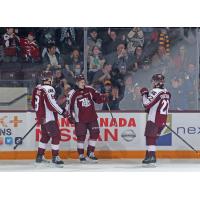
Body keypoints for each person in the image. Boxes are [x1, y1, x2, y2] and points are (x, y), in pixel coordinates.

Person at [66, 74, 108, 163]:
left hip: (92, 117)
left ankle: (90, 152)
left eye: (83, 81)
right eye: (81, 82)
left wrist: (103, 98)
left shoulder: (89, 89)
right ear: (76, 82)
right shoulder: (72, 93)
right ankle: (81, 154)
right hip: (80, 119)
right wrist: (69, 116)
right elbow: (68, 106)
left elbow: (97, 98)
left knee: (95, 134)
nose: (83, 83)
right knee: (81, 137)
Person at [31, 71, 67, 166]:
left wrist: (40, 114)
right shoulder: (49, 88)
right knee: (56, 136)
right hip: (49, 117)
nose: (52, 79)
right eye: (51, 77)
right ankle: (55, 157)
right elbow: (52, 105)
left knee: (45, 136)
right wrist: (63, 112)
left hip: (42, 117)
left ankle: (40, 156)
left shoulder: (37, 88)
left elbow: (33, 103)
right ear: (49, 79)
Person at [140, 74, 171, 165]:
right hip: (163, 119)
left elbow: (146, 104)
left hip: (153, 118)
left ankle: (152, 156)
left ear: (157, 82)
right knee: (152, 138)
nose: (153, 82)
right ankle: (148, 155)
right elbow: (156, 105)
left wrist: (144, 94)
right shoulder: (167, 93)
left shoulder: (155, 91)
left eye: (154, 81)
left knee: (150, 137)